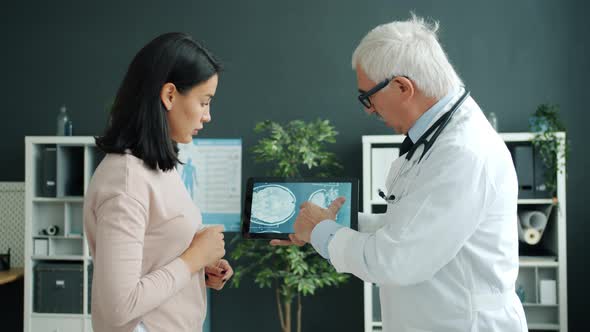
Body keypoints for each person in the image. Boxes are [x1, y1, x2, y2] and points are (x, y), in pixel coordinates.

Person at [272, 15, 528, 332]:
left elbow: (396, 261)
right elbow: (410, 228)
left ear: (402, 86)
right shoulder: (435, 139)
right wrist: (333, 223)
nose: (368, 109)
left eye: (367, 97)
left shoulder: (463, 151)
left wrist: (322, 232)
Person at [84, 32, 233, 332]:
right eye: (204, 102)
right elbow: (118, 308)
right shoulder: (124, 182)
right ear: (169, 96)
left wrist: (199, 269)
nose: (208, 116)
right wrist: (193, 259)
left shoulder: (157, 168)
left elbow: (153, 259)